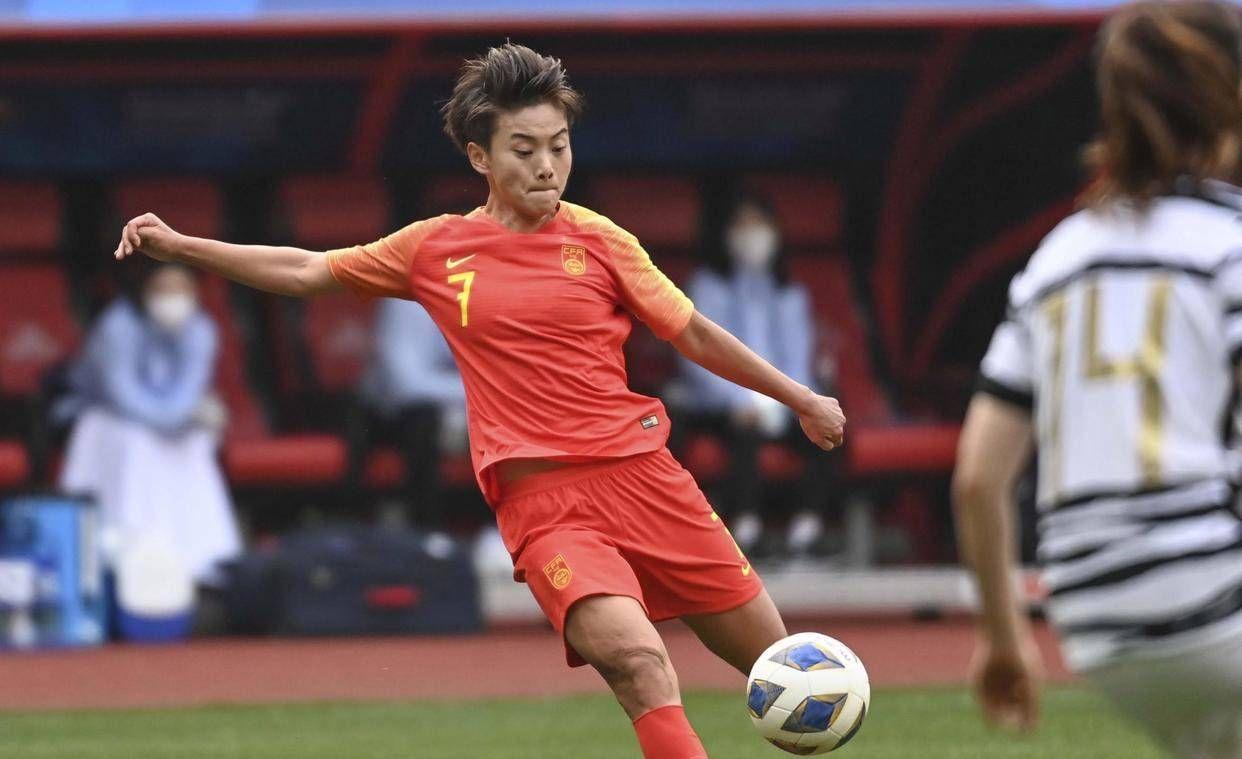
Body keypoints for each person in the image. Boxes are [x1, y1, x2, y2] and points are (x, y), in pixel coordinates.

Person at [114, 43, 844, 758]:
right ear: (479, 157)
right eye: (524, 149)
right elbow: (309, 269)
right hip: (546, 506)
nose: (547, 165)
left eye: (559, 146)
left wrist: (801, 397)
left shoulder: (601, 240)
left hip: (648, 480)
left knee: (788, 675)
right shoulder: (436, 249)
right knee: (638, 662)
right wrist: (185, 247)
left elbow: (695, 333)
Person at [953, 2, 1242, 755]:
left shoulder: (1057, 258)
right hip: (1215, 598)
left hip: (1095, 625)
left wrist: (1004, 639)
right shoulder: (1228, 244)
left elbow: (979, 479)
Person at [57, 262, 241, 589]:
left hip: (170, 421)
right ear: (144, 290)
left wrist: (184, 420)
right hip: (108, 419)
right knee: (139, 440)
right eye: (164, 289)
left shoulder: (201, 329)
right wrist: (174, 420)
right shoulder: (117, 325)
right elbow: (123, 395)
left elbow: (189, 390)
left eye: (181, 290)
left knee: (196, 441)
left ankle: (203, 559)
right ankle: (132, 556)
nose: (174, 298)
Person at [678, 189, 832, 557]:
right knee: (744, 429)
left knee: (828, 426)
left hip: (780, 400)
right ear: (725, 233)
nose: (752, 234)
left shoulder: (790, 294)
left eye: (759, 224)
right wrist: (740, 401)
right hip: (723, 404)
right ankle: (746, 530)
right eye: (742, 225)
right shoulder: (706, 287)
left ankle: (807, 531)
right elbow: (700, 356)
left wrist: (795, 402)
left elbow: (798, 360)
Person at [349, 297, 468, 543]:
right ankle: (427, 540)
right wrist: (488, 389)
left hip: (462, 411)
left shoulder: (493, 296)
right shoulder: (407, 302)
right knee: (424, 421)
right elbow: (407, 385)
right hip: (390, 415)